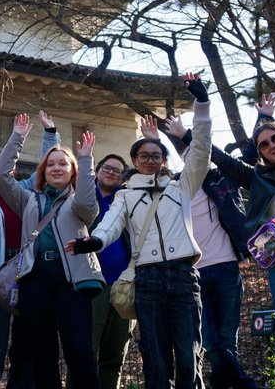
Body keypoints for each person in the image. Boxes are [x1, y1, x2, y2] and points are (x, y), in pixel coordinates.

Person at [66, 73, 211, 389]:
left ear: (163, 161)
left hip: (184, 275)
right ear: (134, 160)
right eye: (143, 155)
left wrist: (202, 105)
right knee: (155, 358)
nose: (149, 160)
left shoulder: (181, 186)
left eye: (155, 156)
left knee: (189, 355)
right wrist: (95, 242)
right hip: (147, 279)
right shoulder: (125, 193)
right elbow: (111, 224)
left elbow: (201, 152)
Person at [169, 99, 275, 388]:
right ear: (260, 152)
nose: (273, 145)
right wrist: (186, 136)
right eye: (264, 144)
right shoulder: (257, 178)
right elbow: (220, 158)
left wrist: (264, 116)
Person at [0, 113, 105, 389]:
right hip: (35, 279)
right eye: (50, 164)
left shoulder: (79, 202)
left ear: (72, 171)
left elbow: (88, 200)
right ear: (42, 171)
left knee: (79, 352)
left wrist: (86, 159)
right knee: (42, 356)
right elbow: (0, 175)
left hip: (73, 281)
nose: (56, 168)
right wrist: (17, 137)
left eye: (63, 164)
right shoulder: (28, 198)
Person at [0, 110, 59, 389]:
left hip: (26, 269)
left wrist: (49, 134)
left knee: (27, 338)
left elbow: (46, 165)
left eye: (0, 164)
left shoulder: (25, 190)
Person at [64, 152, 133, 389]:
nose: (111, 172)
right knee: (85, 352)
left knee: (115, 355)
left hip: (124, 285)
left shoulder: (127, 200)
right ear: (97, 170)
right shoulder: (80, 197)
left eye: (117, 170)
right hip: (90, 285)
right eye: (107, 167)